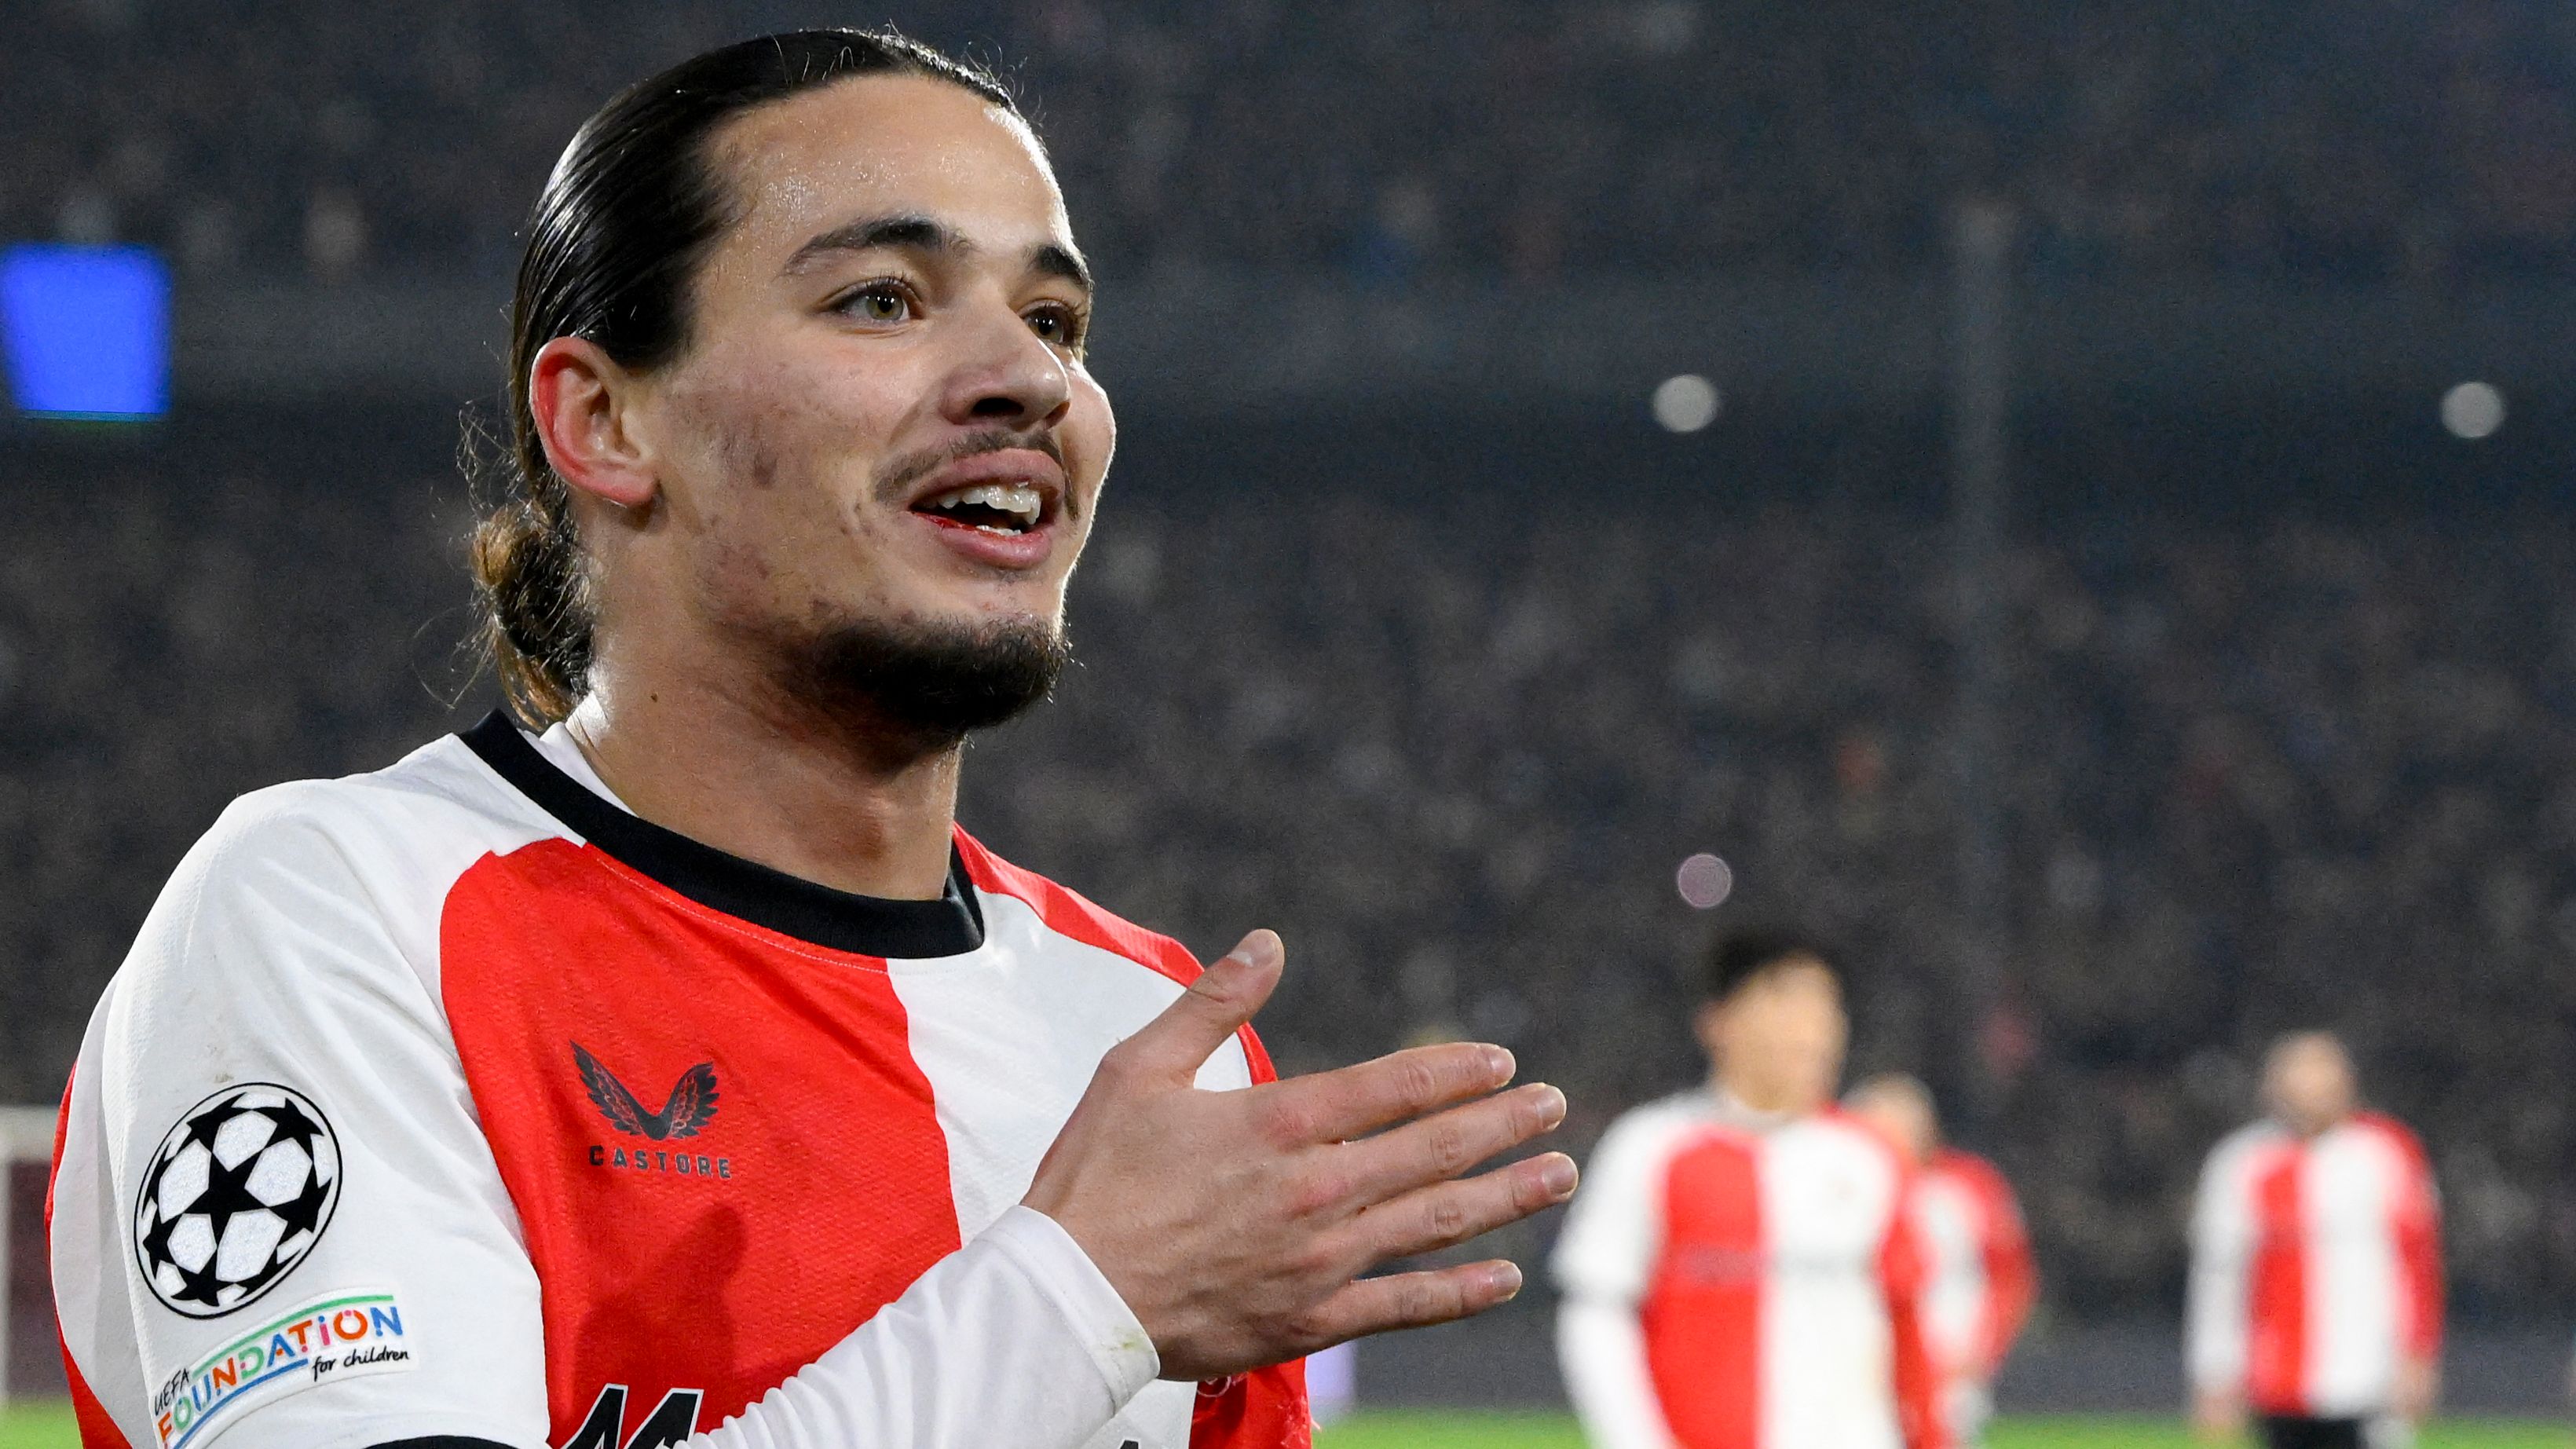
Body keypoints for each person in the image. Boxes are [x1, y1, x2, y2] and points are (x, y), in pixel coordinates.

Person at [46, 31, 1580, 1449]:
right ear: (606, 424)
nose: (1030, 378)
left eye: (1054, 321)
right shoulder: (342, 908)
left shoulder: (1151, 1038)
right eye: (882, 300)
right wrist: (1073, 1300)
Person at [1551, 931, 1947, 1449]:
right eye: (1786, 999)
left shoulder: (1871, 1158)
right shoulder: (1650, 1148)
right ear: (1718, 1020)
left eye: (1827, 1005)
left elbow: (1907, 1324)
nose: (1813, 1027)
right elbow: (1596, 1312)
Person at [2187, 1032, 2443, 1449]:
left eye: (2322, 1078)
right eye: (2298, 1079)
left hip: (2371, 1376)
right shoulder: (2241, 1161)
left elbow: (2417, 1262)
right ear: (2272, 1088)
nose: (2310, 1093)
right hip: (2276, 1380)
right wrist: (2214, 1372)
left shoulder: (2387, 1153)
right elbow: (2219, 1275)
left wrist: (2418, 1355)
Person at [1846, 1074, 2039, 1448]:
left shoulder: (1968, 1187)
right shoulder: (1843, 1189)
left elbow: (2010, 1275)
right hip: (1860, 1376)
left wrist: (1983, 1350)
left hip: (1950, 1378)